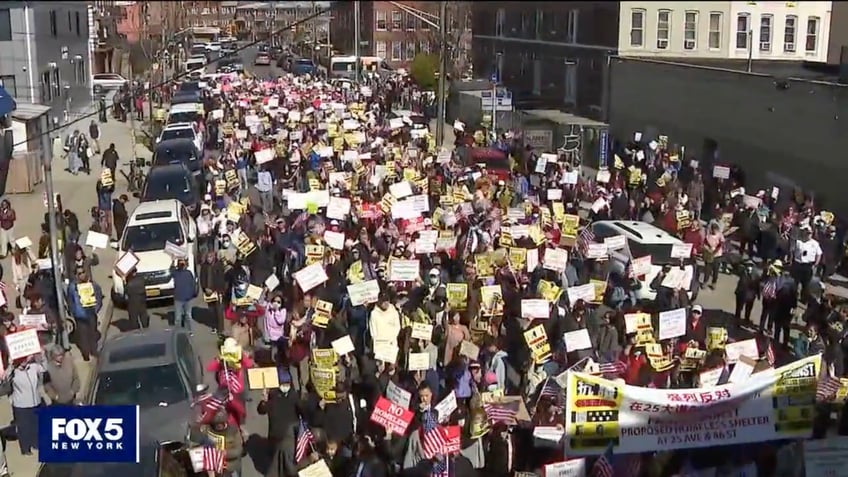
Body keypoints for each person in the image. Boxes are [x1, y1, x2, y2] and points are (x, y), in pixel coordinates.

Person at [8, 356, 44, 455]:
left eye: (25, 358)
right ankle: (25, 448)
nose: (23, 361)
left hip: (35, 401)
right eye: (20, 359)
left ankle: (36, 444)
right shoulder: (13, 372)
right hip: (21, 404)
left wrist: (39, 356)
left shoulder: (33, 366)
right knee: (24, 427)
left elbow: (44, 368)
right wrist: (11, 365)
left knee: (36, 425)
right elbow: (5, 378)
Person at [66, 269, 103, 361]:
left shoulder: (92, 284)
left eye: (83, 272)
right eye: (79, 273)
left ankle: (94, 351)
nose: (82, 275)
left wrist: (96, 308)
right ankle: (85, 353)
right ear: (76, 275)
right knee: (83, 336)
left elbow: (98, 296)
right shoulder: (72, 287)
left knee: (92, 333)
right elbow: (70, 301)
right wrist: (73, 312)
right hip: (80, 315)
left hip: (91, 313)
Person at [172, 257, 197, 330]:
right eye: (180, 263)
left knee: (188, 316)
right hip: (178, 298)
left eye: (183, 263)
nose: (182, 265)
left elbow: (193, 284)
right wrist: (173, 262)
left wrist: (192, 294)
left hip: (187, 298)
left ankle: (190, 331)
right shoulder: (175, 273)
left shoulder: (188, 273)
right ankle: (178, 332)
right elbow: (171, 271)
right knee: (178, 318)